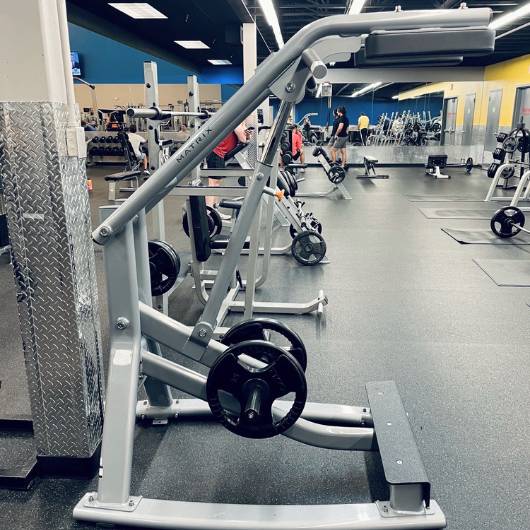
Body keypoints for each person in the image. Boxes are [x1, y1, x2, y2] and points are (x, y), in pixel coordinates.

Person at [206, 123, 249, 217]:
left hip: (219, 153)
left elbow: (246, 132)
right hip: (216, 152)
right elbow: (243, 138)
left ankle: (214, 210)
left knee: (216, 183)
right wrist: (244, 131)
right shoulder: (237, 119)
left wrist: (244, 128)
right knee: (213, 183)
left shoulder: (241, 121)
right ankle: (208, 212)